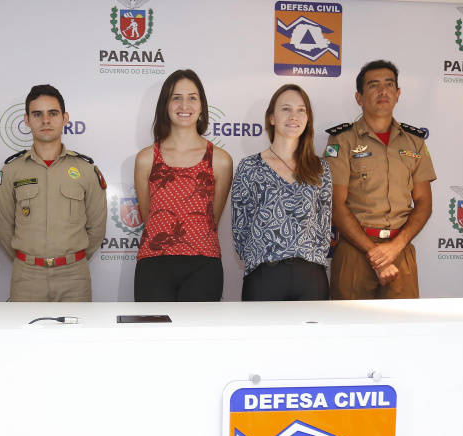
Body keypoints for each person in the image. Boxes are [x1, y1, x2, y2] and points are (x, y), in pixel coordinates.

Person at [324, 60, 436, 300]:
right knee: (349, 322)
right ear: (359, 98)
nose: (383, 91)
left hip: (400, 250)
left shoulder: (415, 142)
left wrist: (395, 247)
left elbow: (424, 203)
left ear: (398, 94)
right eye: (373, 85)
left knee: (403, 322)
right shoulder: (342, 140)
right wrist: (374, 253)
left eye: (389, 85)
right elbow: (336, 204)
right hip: (355, 251)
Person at [0, 85, 107, 302]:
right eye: (37, 114)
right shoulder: (11, 171)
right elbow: (4, 229)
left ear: (65, 118)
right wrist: (29, 261)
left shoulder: (86, 170)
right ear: (27, 120)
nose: (45, 120)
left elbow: (96, 229)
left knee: (76, 327)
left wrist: (71, 261)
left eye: (53, 113)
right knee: (25, 327)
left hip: (74, 277)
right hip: (27, 277)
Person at [133, 69, 233, 301]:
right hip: (154, 265)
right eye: (176, 97)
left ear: (202, 106)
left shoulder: (220, 160)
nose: (184, 105)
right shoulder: (146, 158)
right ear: (165, 105)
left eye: (192, 97)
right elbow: (149, 216)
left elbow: (212, 218)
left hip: (203, 265)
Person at [231, 84, 332, 301]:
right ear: (272, 118)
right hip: (264, 276)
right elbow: (241, 229)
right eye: (286, 109)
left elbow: (324, 225)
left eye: (301, 110)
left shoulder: (319, 168)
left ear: (307, 119)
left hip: (311, 277)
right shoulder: (249, 167)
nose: (294, 116)